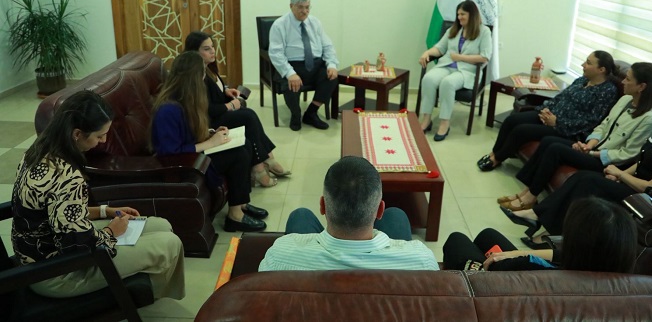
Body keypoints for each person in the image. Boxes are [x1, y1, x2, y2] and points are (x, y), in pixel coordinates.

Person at [11, 90, 185, 300]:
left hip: (44, 254)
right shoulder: (65, 175)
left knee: (162, 225)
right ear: (77, 134)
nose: (103, 141)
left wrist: (105, 211)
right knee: (170, 243)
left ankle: (150, 293)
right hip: (57, 273)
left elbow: (62, 214)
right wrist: (111, 231)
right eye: (99, 136)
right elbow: (78, 246)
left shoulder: (38, 150)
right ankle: (149, 297)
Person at [506, 89, 652, 247]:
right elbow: (642, 161)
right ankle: (541, 220)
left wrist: (619, 174)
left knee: (588, 182)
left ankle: (546, 228)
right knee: (581, 177)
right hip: (631, 183)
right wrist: (620, 174)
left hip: (644, 199)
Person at [498, 62, 652, 214]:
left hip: (608, 162)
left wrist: (591, 153)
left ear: (641, 86)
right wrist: (589, 144)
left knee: (555, 149)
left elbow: (628, 154)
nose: (623, 82)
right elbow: (604, 125)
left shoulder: (649, 119)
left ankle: (530, 197)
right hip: (594, 148)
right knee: (549, 141)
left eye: (628, 79)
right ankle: (527, 191)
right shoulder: (625, 99)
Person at [150, 51, 268, 232]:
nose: (204, 78)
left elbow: (188, 133)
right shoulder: (168, 109)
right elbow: (170, 152)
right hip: (185, 164)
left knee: (244, 144)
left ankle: (241, 204)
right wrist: (211, 143)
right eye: (202, 73)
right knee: (237, 155)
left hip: (194, 153)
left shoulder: (185, 98)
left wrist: (211, 133)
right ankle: (235, 216)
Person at [258, 156, 439, 271]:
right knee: (396, 216)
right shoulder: (421, 261)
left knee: (300, 216)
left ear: (323, 206)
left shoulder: (278, 256)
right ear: (380, 210)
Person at [477, 51, 619, 171]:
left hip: (566, 130)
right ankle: (494, 153)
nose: (583, 65)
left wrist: (557, 122)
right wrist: (545, 109)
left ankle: (497, 159)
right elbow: (561, 97)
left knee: (521, 130)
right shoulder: (582, 80)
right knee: (511, 120)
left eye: (588, 63)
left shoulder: (607, 91)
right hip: (550, 115)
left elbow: (591, 121)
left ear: (601, 69)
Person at [184, 30, 290, 185]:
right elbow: (205, 109)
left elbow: (213, 92)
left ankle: (266, 159)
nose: (213, 51)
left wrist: (225, 91)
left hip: (218, 113)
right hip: (210, 121)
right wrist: (230, 105)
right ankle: (260, 166)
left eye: (212, 46)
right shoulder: (195, 75)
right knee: (247, 116)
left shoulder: (209, 67)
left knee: (248, 114)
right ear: (194, 52)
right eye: (206, 49)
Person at [444, 197, 637, 274]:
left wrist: (512, 258)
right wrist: (515, 252)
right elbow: (560, 255)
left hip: (496, 281)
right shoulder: (610, 272)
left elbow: (494, 269)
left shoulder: (528, 266)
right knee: (488, 236)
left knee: (457, 240)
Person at [418, 0, 492, 141]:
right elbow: (439, 48)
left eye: (462, 14)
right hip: (446, 65)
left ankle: (445, 123)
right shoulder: (453, 29)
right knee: (428, 79)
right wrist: (427, 53)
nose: (459, 17)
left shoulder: (484, 32)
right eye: (458, 14)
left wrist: (460, 57)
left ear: (472, 14)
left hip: (467, 71)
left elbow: (484, 57)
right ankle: (426, 120)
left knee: (448, 83)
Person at [269, 0, 339, 131]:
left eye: (307, 7)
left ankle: (311, 113)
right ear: (291, 6)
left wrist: (331, 64)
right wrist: (290, 73)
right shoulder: (280, 25)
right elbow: (276, 53)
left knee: (332, 77)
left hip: (315, 63)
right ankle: (296, 114)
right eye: (300, 7)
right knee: (291, 84)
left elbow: (327, 45)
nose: (305, 11)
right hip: (292, 65)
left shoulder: (315, 22)